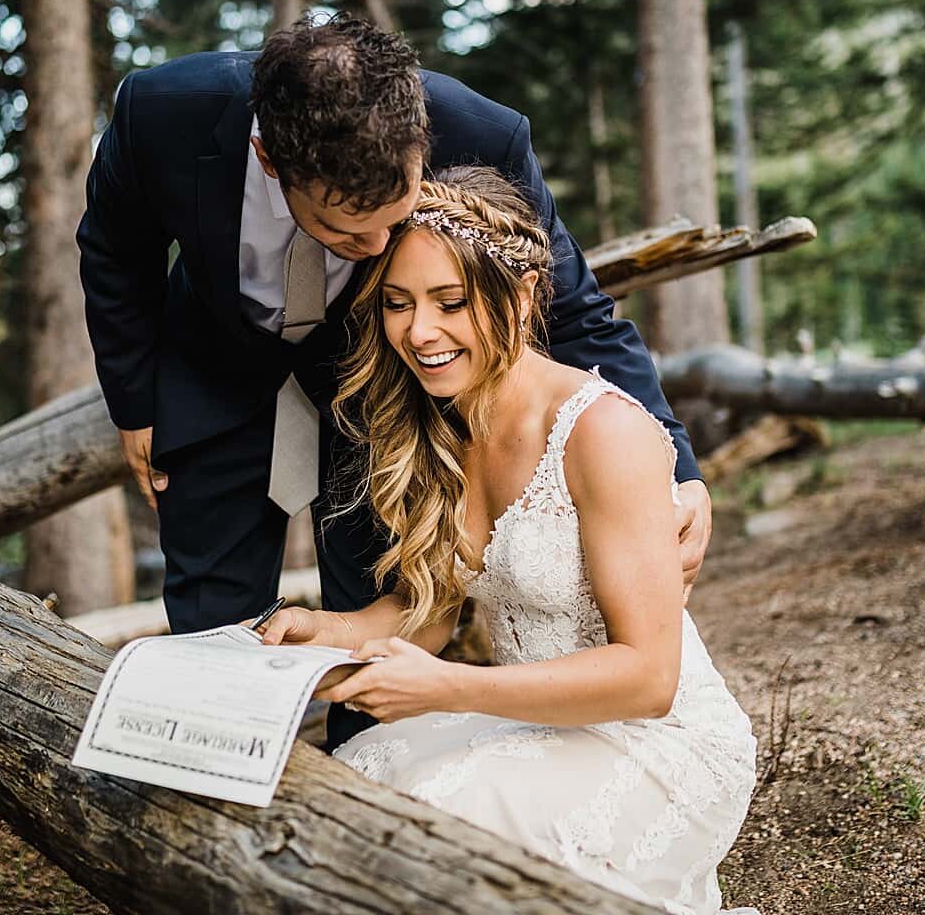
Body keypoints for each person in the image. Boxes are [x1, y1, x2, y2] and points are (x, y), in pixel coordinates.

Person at [77, 12, 711, 747]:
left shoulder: (481, 131)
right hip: (213, 367)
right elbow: (115, 248)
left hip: (383, 382)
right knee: (214, 612)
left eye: (396, 219)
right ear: (269, 156)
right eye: (347, 232)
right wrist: (135, 403)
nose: (378, 247)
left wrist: (676, 461)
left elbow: (577, 312)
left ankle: (362, 771)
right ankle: (210, 789)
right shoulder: (162, 111)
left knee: (384, 583)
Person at [256, 167, 757, 915]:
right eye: (397, 304)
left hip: (656, 744)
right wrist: (324, 635)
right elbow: (425, 615)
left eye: (450, 303)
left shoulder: (604, 430)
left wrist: (447, 688)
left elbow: (649, 679)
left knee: (424, 823)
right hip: (531, 720)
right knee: (353, 776)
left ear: (520, 298)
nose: (419, 333)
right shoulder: (445, 424)